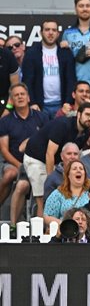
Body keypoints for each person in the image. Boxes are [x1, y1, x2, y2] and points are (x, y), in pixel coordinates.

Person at [23, 102, 90, 217]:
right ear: (79, 114)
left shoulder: (86, 133)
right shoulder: (62, 125)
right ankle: (42, 228)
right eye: (87, 115)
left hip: (56, 160)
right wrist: (51, 179)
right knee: (43, 198)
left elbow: (75, 157)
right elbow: (49, 153)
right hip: (35, 158)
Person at [0, 83, 49, 223]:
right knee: (16, 179)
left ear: (28, 98)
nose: (20, 97)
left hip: (39, 163)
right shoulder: (5, 121)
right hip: (14, 162)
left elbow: (48, 142)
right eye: (16, 95)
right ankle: (14, 226)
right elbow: (4, 149)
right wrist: (21, 165)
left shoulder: (42, 117)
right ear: (12, 100)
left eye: (22, 94)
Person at [21, 19, 76, 119]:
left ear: (58, 34)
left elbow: (71, 79)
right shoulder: (31, 53)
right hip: (39, 106)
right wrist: (32, 102)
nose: (50, 33)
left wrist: (68, 102)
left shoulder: (66, 53)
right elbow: (27, 80)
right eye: (47, 30)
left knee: (60, 134)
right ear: (41, 32)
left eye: (54, 30)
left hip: (62, 105)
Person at [44, 160, 90, 228]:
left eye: (81, 169)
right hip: (64, 232)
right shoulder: (58, 194)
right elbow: (47, 216)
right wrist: (65, 224)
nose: (78, 170)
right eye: (74, 169)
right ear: (68, 175)